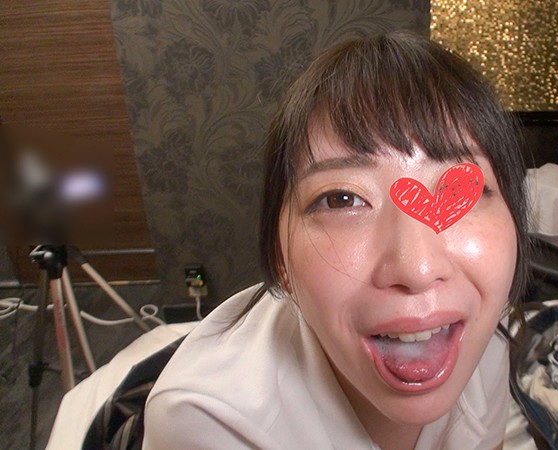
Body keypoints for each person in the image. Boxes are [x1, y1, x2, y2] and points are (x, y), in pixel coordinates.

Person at [143, 31, 530, 450]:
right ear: (279, 260)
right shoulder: (209, 425)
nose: (417, 269)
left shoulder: (485, 332)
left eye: (464, 188)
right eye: (342, 199)